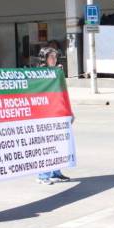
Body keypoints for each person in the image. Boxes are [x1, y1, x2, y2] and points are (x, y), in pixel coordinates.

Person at [36, 48, 72, 184]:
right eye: (51, 57)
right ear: (44, 59)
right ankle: (42, 175)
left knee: (57, 145)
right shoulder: (38, 74)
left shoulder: (56, 72)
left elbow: (61, 92)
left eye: (55, 57)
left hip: (56, 112)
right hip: (44, 114)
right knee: (45, 146)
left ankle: (55, 172)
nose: (54, 59)